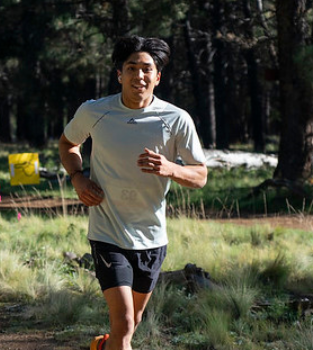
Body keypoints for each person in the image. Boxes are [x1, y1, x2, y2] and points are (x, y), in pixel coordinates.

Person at [58, 35, 208, 350]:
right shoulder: (95, 111)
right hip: (107, 232)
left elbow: (200, 175)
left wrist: (172, 169)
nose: (138, 76)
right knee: (125, 322)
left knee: (131, 324)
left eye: (146, 69)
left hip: (152, 237)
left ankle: (103, 346)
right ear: (119, 75)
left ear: (157, 76)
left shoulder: (175, 119)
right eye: (131, 68)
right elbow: (68, 143)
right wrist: (78, 177)